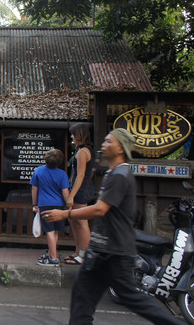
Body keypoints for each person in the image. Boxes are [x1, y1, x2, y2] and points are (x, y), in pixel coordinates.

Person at [43, 129, 182, 324]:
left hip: (115, 251)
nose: (103, 145)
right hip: (101, 250)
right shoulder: (112, 173)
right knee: (82, 298)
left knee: (133, 299)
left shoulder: (120, 175)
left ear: (120, 149)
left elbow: (100, 209)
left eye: (109, 142)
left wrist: (65, 214)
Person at [31, 148, 70, 266]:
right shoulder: (62, 174)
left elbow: (34, 189)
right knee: (55, 231)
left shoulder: (38, 171)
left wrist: (34, 204)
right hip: (59, 205)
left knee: (49, 231)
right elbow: (65, 192)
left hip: (44, 204)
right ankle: (52, 253)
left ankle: (53, 258)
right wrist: (69, 205)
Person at [65, 123, 95, 265]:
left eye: (73, 134)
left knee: (81, 222)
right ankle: (78, 252)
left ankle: (84, 254)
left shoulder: (83, 152)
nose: (71, 137)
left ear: (79, 135)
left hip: (81, 189)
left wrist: (71, 195)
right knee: (74, 221)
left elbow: (81, 175)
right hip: (80, 188)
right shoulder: (86, 150)